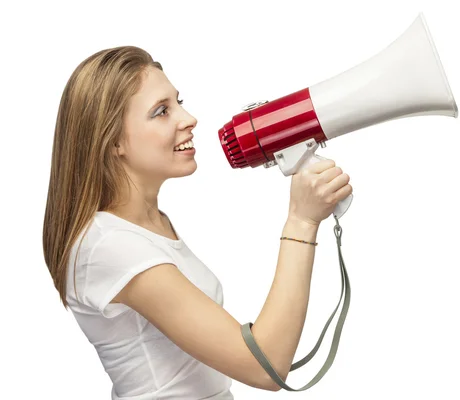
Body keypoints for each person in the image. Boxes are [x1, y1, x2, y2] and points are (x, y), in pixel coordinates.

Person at [42, 46, 353, 399]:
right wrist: (301, 221)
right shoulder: (111, 245)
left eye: (178, 102)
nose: (188, 118)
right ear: (113, 141)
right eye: (161, 111)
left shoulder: (150, 225)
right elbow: (264, 365)